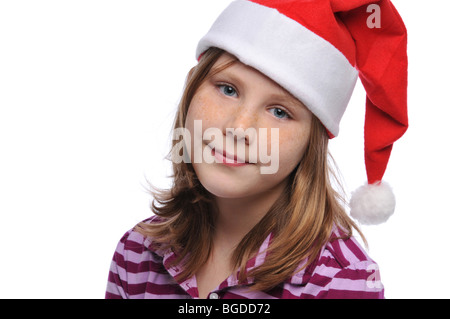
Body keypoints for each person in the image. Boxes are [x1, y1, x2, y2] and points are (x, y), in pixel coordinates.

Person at [105, 0, 407, 299]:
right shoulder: (136, 254)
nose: (239, 128)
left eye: (279, 112)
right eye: (228, 89)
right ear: (191, 88)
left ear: (311, 142)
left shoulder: (341, 280)